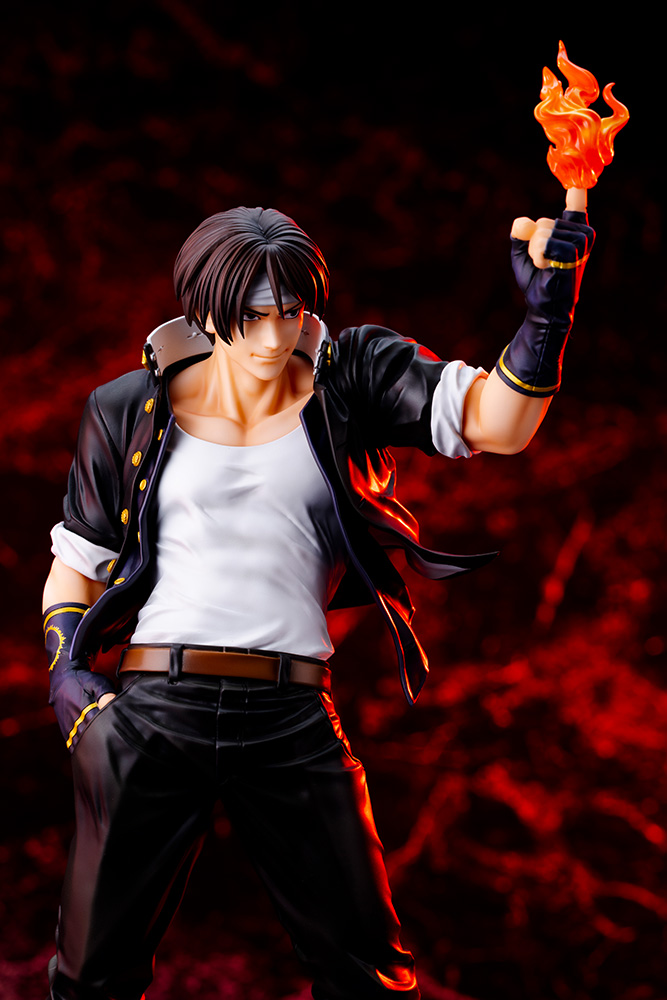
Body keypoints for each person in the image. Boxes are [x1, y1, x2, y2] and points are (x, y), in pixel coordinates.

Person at [43, 198, 594, 1000]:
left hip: (290, 711)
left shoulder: (353, 377)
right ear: (202, 309)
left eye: (291, 311)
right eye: (251, 315)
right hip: (154, 711)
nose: (274, 337)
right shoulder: (128, 408)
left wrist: (546, 317)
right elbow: (78, 563)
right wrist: (68, 678)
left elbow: (497, 424)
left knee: (368, 973)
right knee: (91, 977)